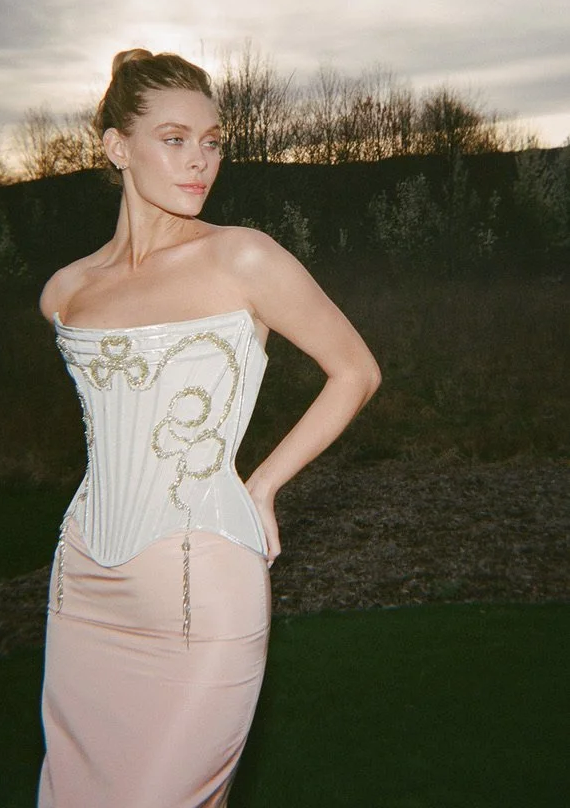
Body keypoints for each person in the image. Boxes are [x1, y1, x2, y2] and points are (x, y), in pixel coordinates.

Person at [36, 48, 381, 807]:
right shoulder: (66, 292)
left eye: (212, 140)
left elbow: (355, 371)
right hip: (84, 582)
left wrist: (260, 486)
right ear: (115, 147)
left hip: (201, 580)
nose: (200, 161)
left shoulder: (243, 257)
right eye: (173, 138)